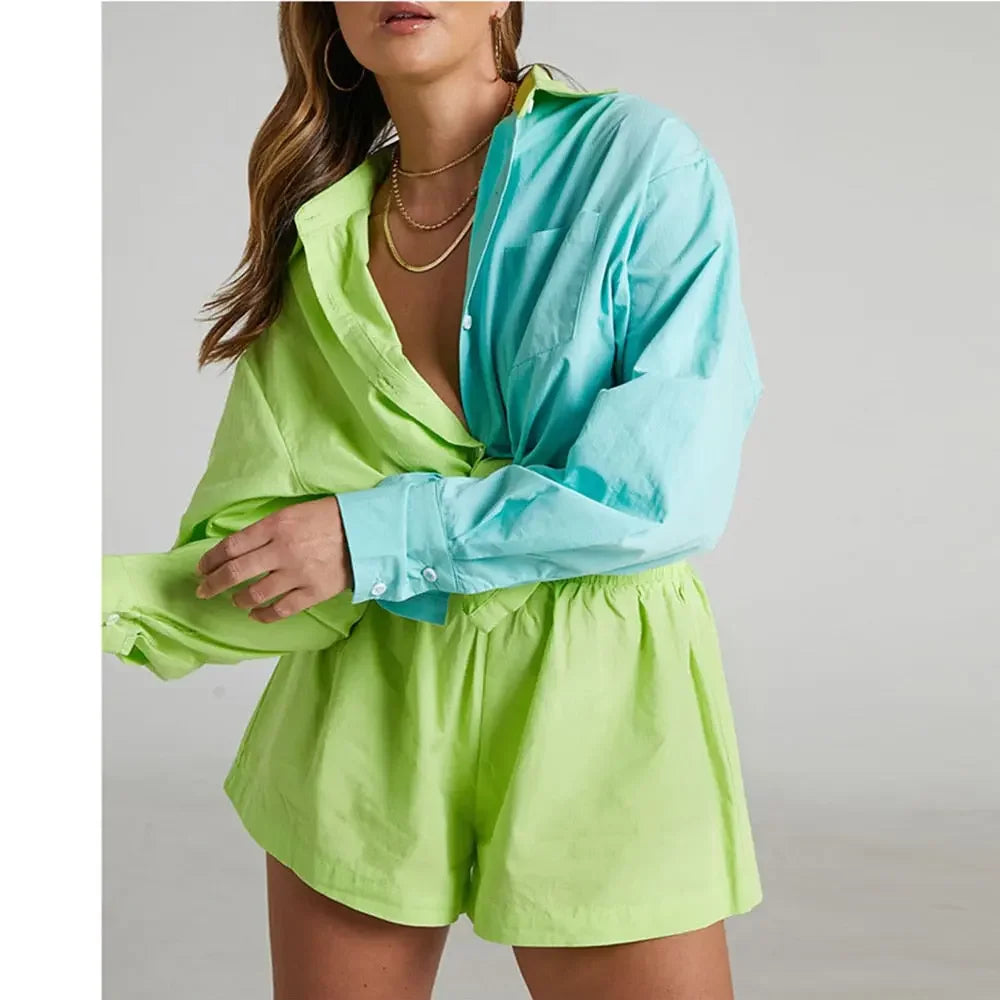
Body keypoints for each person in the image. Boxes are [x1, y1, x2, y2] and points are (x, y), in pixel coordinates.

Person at [102, 2, 765, 997]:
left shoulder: (635, 161)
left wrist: (372, 536)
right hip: (365, 698)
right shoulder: (322, 235)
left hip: (596, 701)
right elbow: (279, 557)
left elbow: (661, 493)